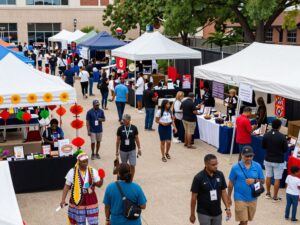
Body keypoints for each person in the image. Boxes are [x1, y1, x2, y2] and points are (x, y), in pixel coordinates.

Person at [60, 152, 103, 225]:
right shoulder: (72, 171)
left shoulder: (93, 171)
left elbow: (99, 185)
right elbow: (67, 186)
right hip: (78, 201)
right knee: (78, 222)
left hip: (90, 200)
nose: (85, 163)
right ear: (78, 162)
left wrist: (102, 178)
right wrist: (63, 200)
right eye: (83, 162)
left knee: (93, 222)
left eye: (86, 161)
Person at [228, 146, 265, 225]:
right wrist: (228, 197)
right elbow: (231, 183)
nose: (248, 158)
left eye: (250, 156)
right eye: (246, 156)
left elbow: (263, 181)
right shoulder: (235, 167)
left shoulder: (257, 166)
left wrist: (254, 180)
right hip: (239, 197)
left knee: (245, 220)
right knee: (244, 221)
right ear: (242, 155)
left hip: (253, 197)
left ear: (253, 155)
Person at [190, 154, 231, 225]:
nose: (216, 166)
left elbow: (223, 192)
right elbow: (194, 197)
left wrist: (227, 208)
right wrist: (192, 214)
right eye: (213, 165)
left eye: (216, 164)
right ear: (206, 164)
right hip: (204, 213)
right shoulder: (198, 178)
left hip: (217, 212)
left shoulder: (220, 174)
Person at [262, 119, 288, 202]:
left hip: (268, 159)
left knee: (268, 176)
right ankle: (275, 197)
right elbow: (285, 149)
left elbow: (263, 146)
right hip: (278, 160)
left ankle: (268, 193)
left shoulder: (266, 135)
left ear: (271, 125)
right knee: (277, 179)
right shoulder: (282, 136)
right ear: (280, 127)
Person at [116, 114, 141, 180]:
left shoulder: (134, 128)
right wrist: (116, 151)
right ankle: (123, 178)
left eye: (124, 120)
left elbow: (137, 138)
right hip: (123, 150)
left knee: (132, 165)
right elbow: (118, 140)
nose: (123, 121)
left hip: (132, 149)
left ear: (129, 120)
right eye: (123, 119)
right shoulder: (120, 128)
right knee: (124, 166)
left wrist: (139, 148)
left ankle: (131, 179)